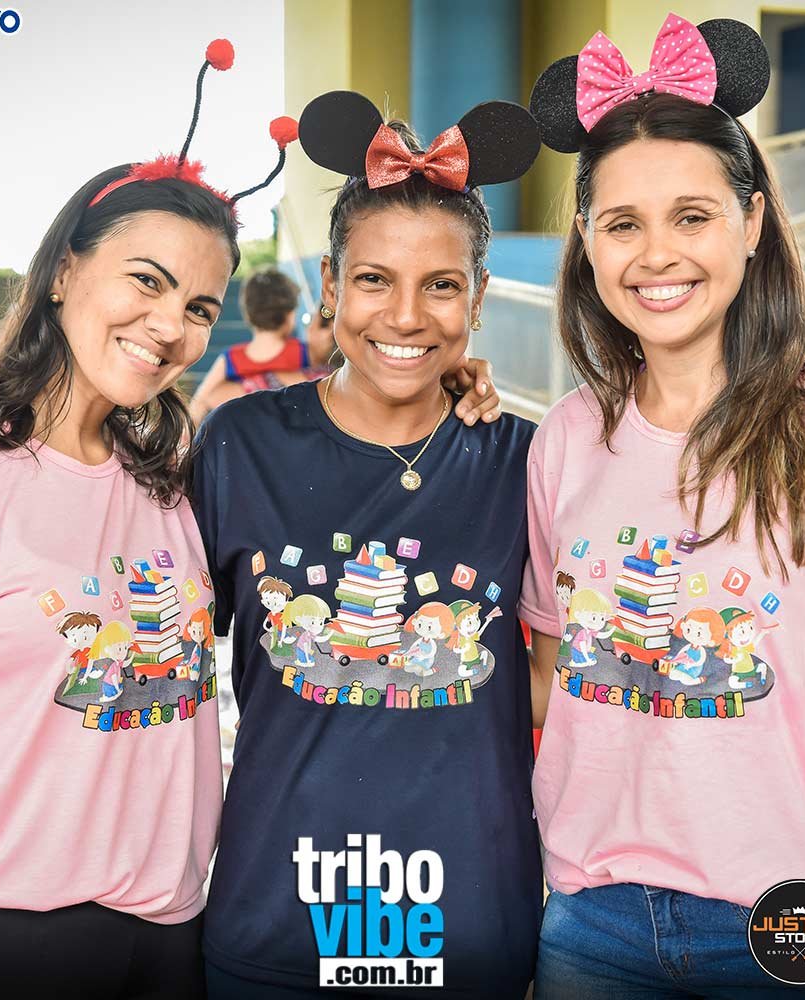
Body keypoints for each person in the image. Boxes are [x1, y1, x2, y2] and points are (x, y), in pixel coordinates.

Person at [0, 39, 294, 999]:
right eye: (146, 281)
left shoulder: (172, 486)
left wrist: (450, 394)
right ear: (65, 271)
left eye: (201, 306)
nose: (172, 326)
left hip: (170, 933)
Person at [522, 16, 805, 999]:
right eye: (622, 223)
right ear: (587, 241)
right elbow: (549, 678)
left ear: (753, 221)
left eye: (692, 216)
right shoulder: (564, 439)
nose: (657, 254)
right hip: (590, 922)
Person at [191, 91, 542, 999]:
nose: (407, 315)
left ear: (478, 298)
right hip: (277, 915)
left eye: (442, 285)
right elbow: (159, 663)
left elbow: (578, 677)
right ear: (331, 285)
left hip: (470, 924)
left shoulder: (527, 463)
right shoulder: (240, 446)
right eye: (376, 280)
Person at [188, 268, 308, 422]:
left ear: (248, 312)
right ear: (289, 314)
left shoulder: (231, 358)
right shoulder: (303, 352)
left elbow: (199, 404)